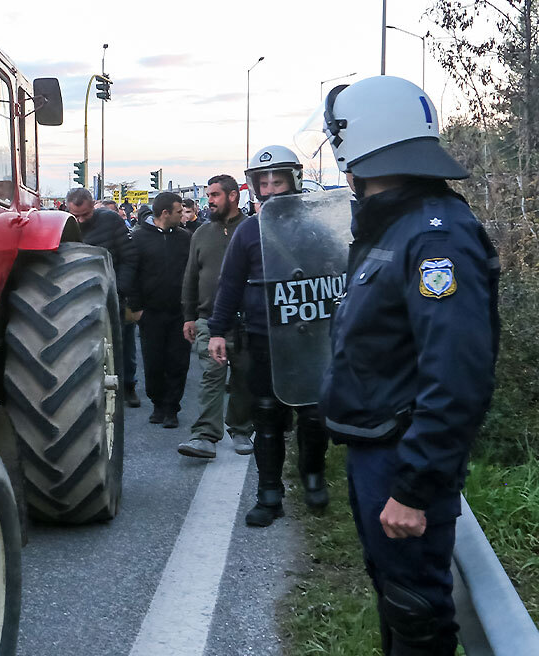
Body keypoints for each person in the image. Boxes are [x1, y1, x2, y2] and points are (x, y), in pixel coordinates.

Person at [315, 76, 499, 656]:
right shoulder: (394, 226)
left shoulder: (433, 236)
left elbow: (457, 374)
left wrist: (416, 487)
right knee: (398, 599)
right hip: (379, 448)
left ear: (355, 143)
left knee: (416, 612)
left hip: (400, 459)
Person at [207, 146, 329, 526]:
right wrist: (218, 332)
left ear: (292, 180)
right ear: (255, 187)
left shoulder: (314, 226)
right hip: (263, 337)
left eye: (278, 180)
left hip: (310, 336)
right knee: (266, 417)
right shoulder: (247, 231)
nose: (272, 188)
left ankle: (313, 477)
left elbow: (336, 273)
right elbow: (229, 285)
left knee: (314, 414)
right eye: (264, 182)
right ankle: (269, 495)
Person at [178, 175, 254, 458]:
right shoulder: (201, 234)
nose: (209, 201)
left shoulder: (251, 229)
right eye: (208, 195)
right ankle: (205, 435)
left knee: (244, 377)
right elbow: (191, 277)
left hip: (245, 320)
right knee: (211, 375)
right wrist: (189, 315)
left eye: (215, 195)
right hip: (208, 318)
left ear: (233, 196)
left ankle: (242, 429)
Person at [121, 195, 191, 426]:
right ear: (164, 213)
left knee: (177, 363)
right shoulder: (138, 238)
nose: (183, 215)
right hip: (150, 313)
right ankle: (158, 404)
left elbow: (192, 273)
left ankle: (172, 408)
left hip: (178, 313)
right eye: (179, 212)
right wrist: (136, 307)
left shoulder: (185, 238)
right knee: (153, 363)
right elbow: (131, 273)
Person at [64, 188, 138, 400]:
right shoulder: (67, 226)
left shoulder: (110, 221)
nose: (79, 221)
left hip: (113, 293)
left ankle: (128, 385)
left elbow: (129, 257)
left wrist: (119, 290)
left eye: (85, 215)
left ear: (93, 207)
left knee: (123, 344)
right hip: (81, 298)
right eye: (75, 216)